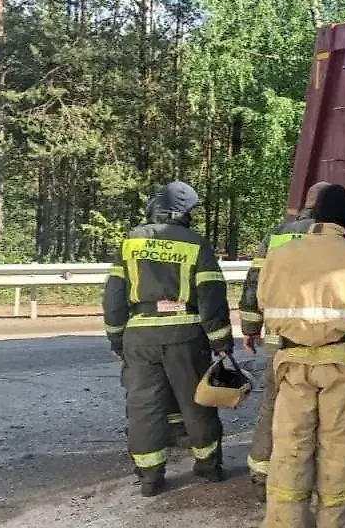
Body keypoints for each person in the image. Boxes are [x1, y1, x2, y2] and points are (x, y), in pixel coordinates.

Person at [240, 181, 345, 495]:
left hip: (284, 340)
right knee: (344, 415)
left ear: (307, 204)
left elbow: (255, 284)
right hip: (336, 343)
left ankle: (264, 471)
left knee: (277, 407)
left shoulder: (277, 236)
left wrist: (250, 328)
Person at [103, 180, 234, 497]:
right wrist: (221, 342)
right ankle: (208, 466)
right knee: (197, 402)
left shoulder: (131, 241)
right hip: (185, 334)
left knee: (144, 406)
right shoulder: (195, 243)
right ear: (181, 211)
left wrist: (116, 338)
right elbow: (211, 296)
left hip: (140, 336)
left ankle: (150, 476)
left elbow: (114, 295)